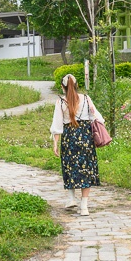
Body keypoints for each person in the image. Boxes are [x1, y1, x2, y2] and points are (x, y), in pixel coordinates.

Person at [50, 73, 104, 216]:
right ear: (76, 85)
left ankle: (71, 198)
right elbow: (97, 117)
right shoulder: (86, 99)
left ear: (63, 87)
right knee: (86, 169)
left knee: (70, 167)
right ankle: (84, 207)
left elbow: (57, 125)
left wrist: (55, 143)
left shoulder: (61, 102)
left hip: (69, 138)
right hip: (86, 137)